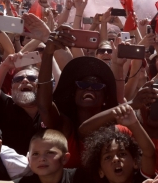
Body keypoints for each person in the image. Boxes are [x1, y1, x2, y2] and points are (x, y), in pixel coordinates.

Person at [0, 12, 56, 155]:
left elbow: (64, 76)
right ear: (11, 87)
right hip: (6, 178)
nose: (25, 80)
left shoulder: (55, 111)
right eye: (18, 79)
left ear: (44, 85)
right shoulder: (4, 107)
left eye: (32, 79)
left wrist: (48, 38)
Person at [37, 31, 118, 167]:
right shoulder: (64, 125)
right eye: (83, 84)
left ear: (105, 98)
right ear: (74, 94)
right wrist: (48, 54)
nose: (89, 89)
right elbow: (44, 107)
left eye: (96, 85)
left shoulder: (114, 127)